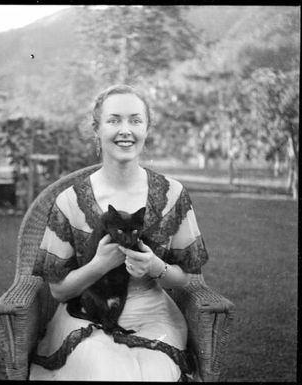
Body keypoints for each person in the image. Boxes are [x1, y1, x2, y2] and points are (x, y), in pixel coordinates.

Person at [30, 84, 208, 381]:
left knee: (155, 376)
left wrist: (156, 266)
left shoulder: (173, 195)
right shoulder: (71, 200)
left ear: (147, 129)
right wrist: (99, 264)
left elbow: (187, 278)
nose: (125, 129)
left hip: (153, 316)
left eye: (135, 120)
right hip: (87, 314)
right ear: (96, 129)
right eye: (114, 120)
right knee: (107, 372)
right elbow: (59, 290)